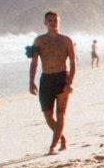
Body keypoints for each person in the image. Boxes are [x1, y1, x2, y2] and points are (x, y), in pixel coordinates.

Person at [28, 11, 76, 155]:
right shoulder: (39, 40)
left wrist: (70, 82)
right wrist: (31, 81)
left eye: (55, 20)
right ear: (45, 23)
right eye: (49, 20)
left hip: (62, 77)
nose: (52, 23)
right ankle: (61, 138)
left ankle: (53, 146)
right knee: (48, 115)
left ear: (59, 22)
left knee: (60, 113)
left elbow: (73, 62)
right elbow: (34, 62)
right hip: (46, 79)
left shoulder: (66, 40)